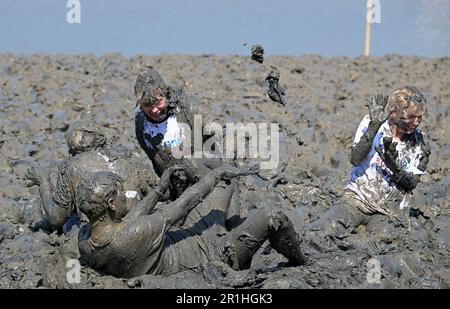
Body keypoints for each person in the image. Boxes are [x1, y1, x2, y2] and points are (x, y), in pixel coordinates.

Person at [76, 165, 306, 278]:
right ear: (111, 204)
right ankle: (302, 262)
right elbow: (184, 204)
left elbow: (130, 220)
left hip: (187, 239)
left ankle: (239, 236)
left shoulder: (86, 237)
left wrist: (159, 188)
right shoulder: (135, 233)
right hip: (214, 256)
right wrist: (215, 174)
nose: (125, 194)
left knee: (227, 184)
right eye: (120, 193)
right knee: (272, 216)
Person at [308, 86, 430, 238]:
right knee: (327, 229)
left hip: (387, 211)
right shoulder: (372, 123)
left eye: (420, 117)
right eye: (411, 117)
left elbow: (412, 184)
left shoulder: (420, 142)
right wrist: (373, 128)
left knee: (385, 239)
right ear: (394, 113)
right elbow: (355, 159)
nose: (416, 122)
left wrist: (394, 167)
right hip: (356, 200)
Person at [25, 122, 160, 232]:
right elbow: (162, 191)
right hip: (140, 228)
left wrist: (43, 182)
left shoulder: (71, 167)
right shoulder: (130, 160)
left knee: (71, 221)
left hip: (103, 235)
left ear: (71, 151)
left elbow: (56, 218)